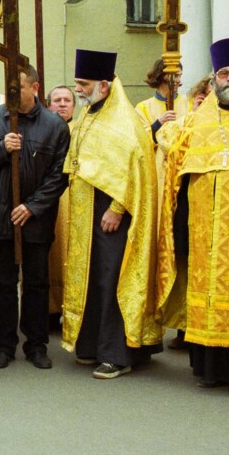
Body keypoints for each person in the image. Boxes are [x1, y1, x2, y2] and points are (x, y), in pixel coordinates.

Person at [158, 38, 229, 396]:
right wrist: (182, 232)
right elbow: (180, 176)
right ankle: (211, 369)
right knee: (204, 297)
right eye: (224, 73)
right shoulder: (199, 122)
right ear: (215, 79)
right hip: (205, 236)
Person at [62, 49, 161, 379]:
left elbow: (134, 168)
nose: (78, 89)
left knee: (111, 279)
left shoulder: (126, 121)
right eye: (77, 83)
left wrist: (117, 209)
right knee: (90, 277)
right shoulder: (90, 114)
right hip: (86, 211)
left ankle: (117, 354)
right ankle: (90, 345)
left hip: (112, 214)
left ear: (104, 85)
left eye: (83, 84)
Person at [0, 66, 70, 370]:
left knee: (37, 283)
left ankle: (36, 345)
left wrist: (32, 206)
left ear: (35, 87)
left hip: (36, 220)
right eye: (9, 88)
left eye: (19, 87)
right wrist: (2, 148)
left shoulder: (54, 126)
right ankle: (4, 344)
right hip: (0, 217)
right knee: (3, 283)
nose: (12, 94)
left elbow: (60, 174)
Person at [46, 85, 75, 328]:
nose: (62, 104)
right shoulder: (45, 128)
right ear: (49, 104)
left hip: (76, 201)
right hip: (50, 200)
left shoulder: (83, 129)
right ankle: (50, 311)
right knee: (51, 255)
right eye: (57, 100)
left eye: (67, 100)